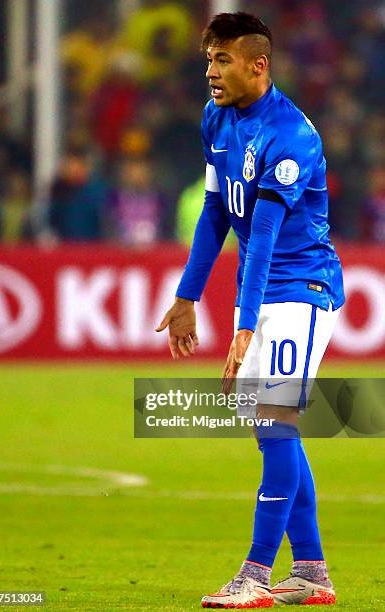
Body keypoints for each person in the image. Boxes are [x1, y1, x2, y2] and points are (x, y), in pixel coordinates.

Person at [156, 12, 344, 609]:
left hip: (302, 293)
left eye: (223, 60)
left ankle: (255, 576)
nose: (210, 71)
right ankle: (311, 573)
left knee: (274, 425)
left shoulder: (292, 135)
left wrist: (241, 323)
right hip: (269, 294)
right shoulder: (217, 117)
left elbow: (261, 235)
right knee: (276, 432)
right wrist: (186, 295)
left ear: (257, 65)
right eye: (208, 59)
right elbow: (216, 212)